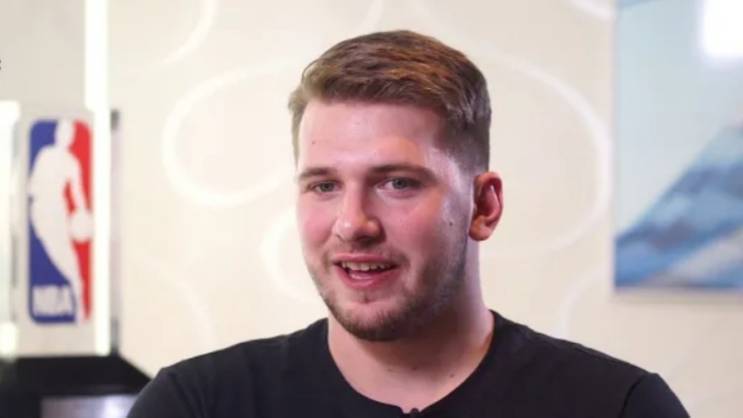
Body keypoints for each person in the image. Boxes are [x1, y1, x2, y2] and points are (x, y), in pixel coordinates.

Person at [128, 30, 689, 417]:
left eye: (397, 183)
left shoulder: (619, 408)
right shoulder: (196, 405)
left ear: (484, 206)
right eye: (324, 185)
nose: (353, 224)